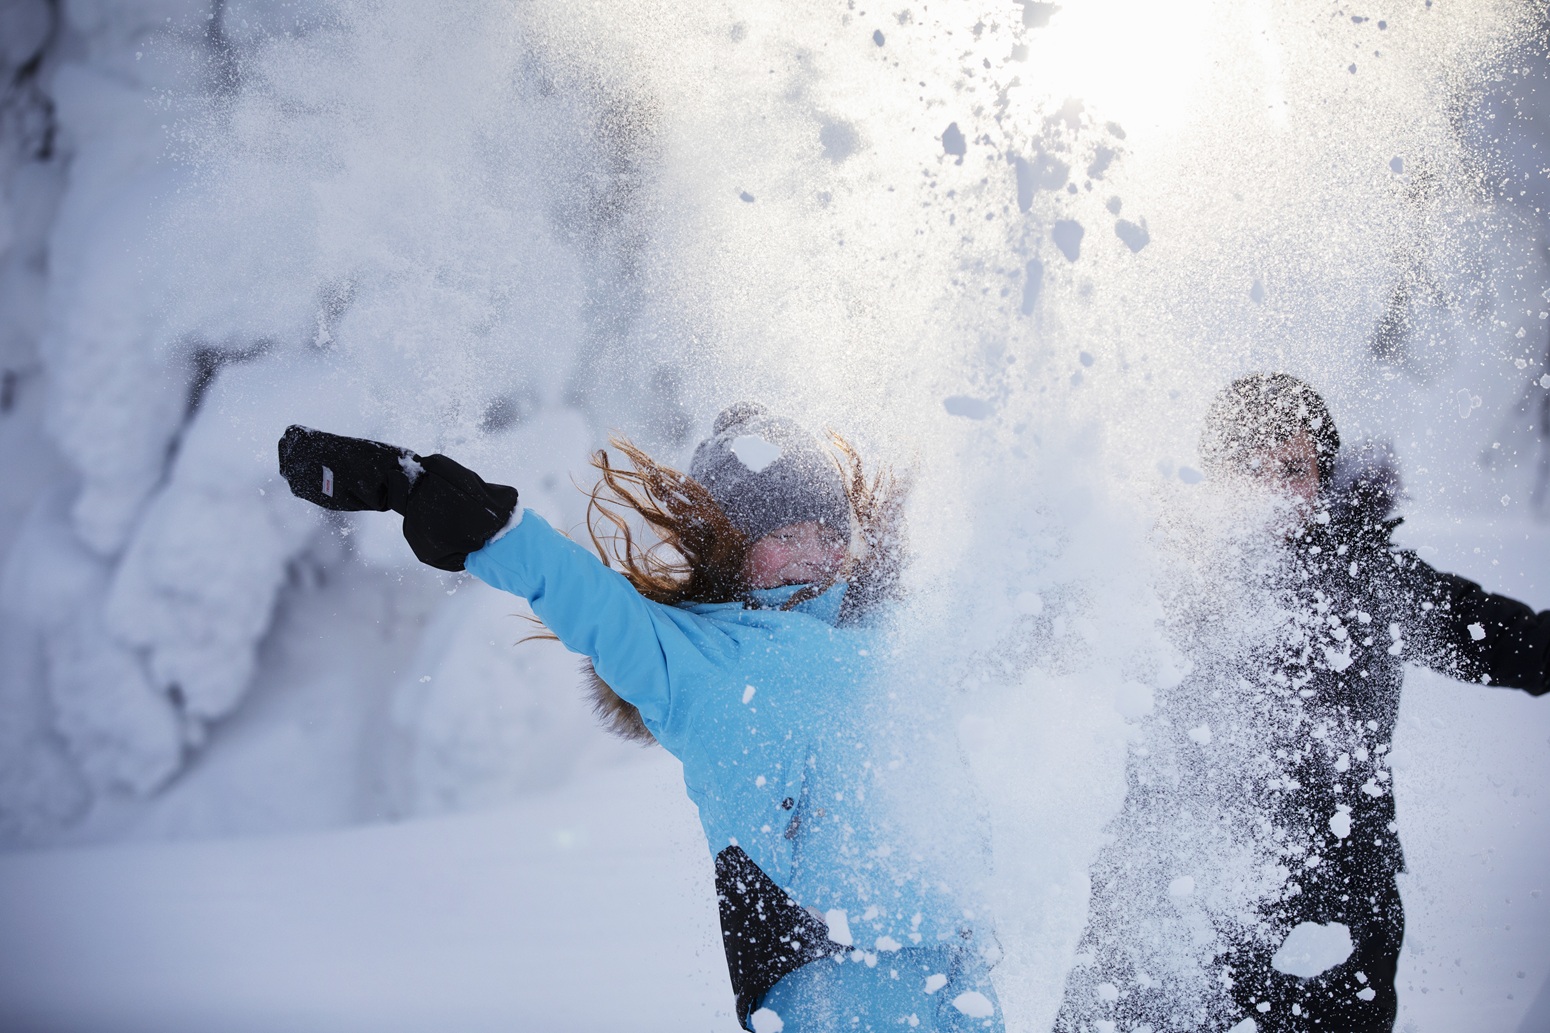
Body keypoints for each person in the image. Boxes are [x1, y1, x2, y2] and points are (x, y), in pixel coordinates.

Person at [277, 402, 1004, 1033]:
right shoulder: (688, 658)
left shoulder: (889, 634)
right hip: (821, 978)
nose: (812, 552)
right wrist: (422, 492)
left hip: (957, 964)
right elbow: (569, 586)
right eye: (784, 533)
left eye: (825, 529)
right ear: (732, 547)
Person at [1053, 373, 1550, 1033]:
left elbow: (1512, 643)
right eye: (1248, 469)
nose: (1272, 491)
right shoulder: (1157, 577)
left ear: (1321, 477)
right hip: (1166, 916)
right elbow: (1035, 627)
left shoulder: (1370, 583)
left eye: (1292, 470)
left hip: (1331, 932)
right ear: (1215, 477)